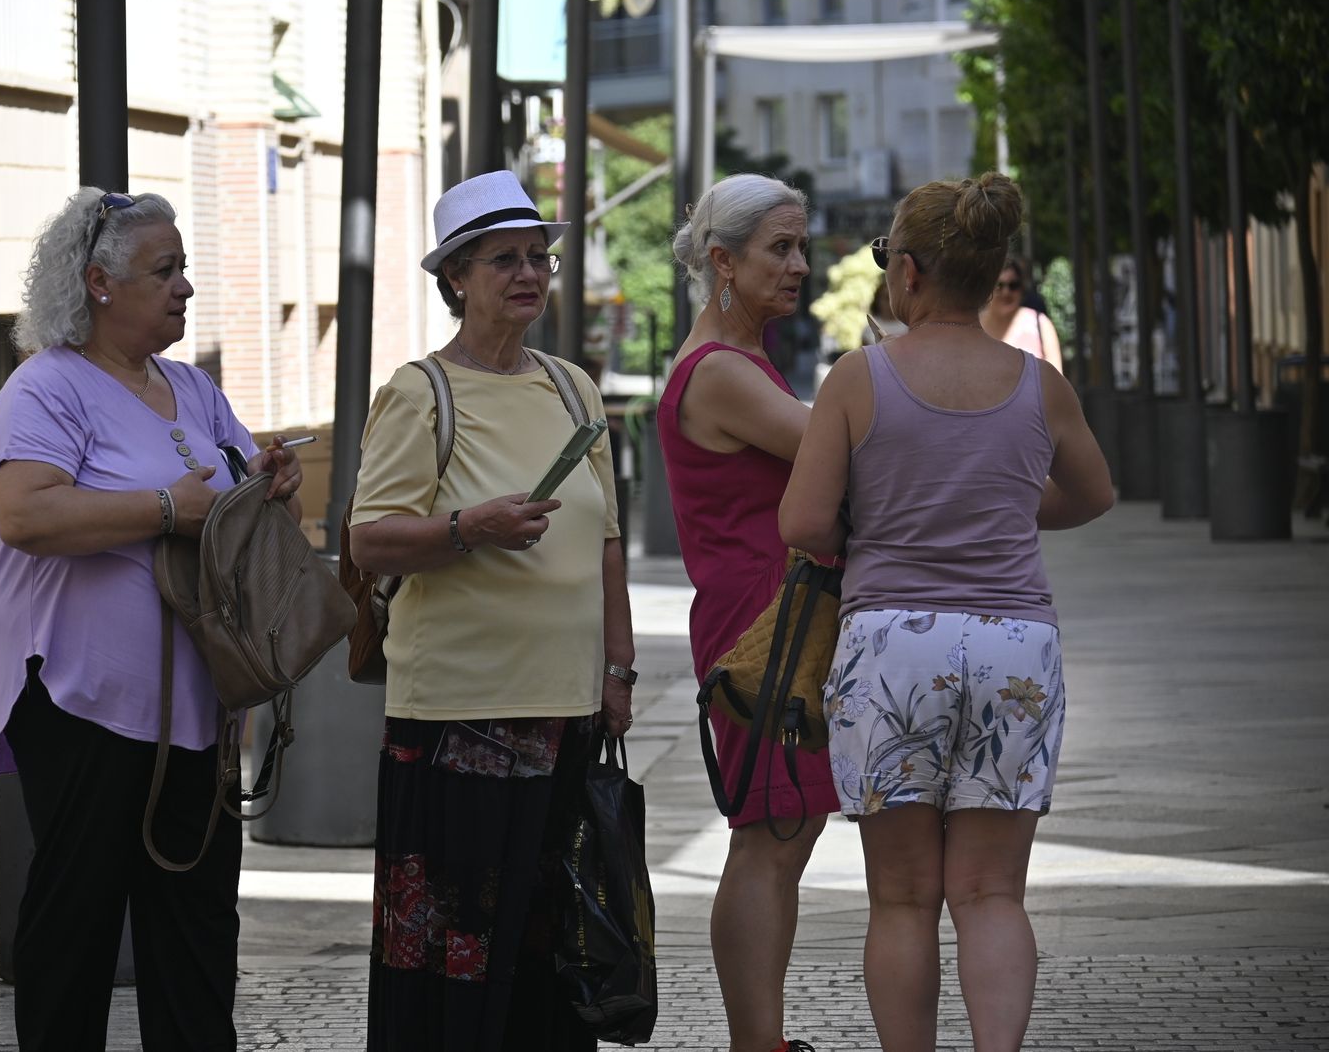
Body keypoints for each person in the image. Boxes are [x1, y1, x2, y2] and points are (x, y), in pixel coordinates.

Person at [778, 172, 1113, 1052]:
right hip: (1015, 646)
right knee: (993, 893)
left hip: (892, 647)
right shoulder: (1038, 383)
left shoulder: (858, 379)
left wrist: (889, 508)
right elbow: (1095, 494)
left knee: (901, 897)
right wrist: (1001, 504)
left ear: (911, 273)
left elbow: (805, 524)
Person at [0, 188, 306, 1052]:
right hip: (83, 705)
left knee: (197, 932)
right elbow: (27, 517)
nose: (186, 288)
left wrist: (270, 480)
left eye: (184, 267)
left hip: (198, 711)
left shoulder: (192, 389)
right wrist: (166, 508)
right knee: (76, 929)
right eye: (164, 271)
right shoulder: (45, 390)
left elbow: (228, 497)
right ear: (96, 283)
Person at [347, 170, 635, 1052]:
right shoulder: (420, 392)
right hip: (458, 720)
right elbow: (370, 541)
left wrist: (617, 672)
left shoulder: (573, 389)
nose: (528, 273)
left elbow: (607, 545)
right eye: (503, 259)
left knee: (552, 945)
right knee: (454, 950)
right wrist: (470, 527)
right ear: (456, 280)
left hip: (565, 714)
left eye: (538, 257)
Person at [657, 173, 842, 1052]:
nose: (800, 264)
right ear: (722, 262)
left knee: (783, 828)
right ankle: (755, 1045)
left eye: (802, 246)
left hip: (774, 615)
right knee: (769, 832)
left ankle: (761, 1040)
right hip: (760, 623)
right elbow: (830, 445)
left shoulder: (737, 360)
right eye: (782, 247)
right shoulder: (722, 371)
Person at [979, 256, 1064, 372]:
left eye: (1013, 285)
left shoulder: (1041, 324)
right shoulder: (973, 325)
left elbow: (1057, 377)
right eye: (999, 285)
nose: (1006, 292)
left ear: (1022, 289)